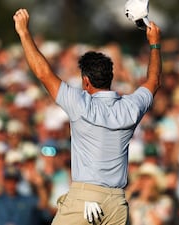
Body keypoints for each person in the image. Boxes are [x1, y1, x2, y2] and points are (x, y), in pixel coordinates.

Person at [13, 8, 161, 225]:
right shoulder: (131, 107)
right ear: (110, 78)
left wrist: (24, 33)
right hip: (117, 204)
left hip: (85, 198)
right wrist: (154, 44)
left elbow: (43, 73)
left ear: (86, 82)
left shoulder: (80, 104)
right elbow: (154, 80)